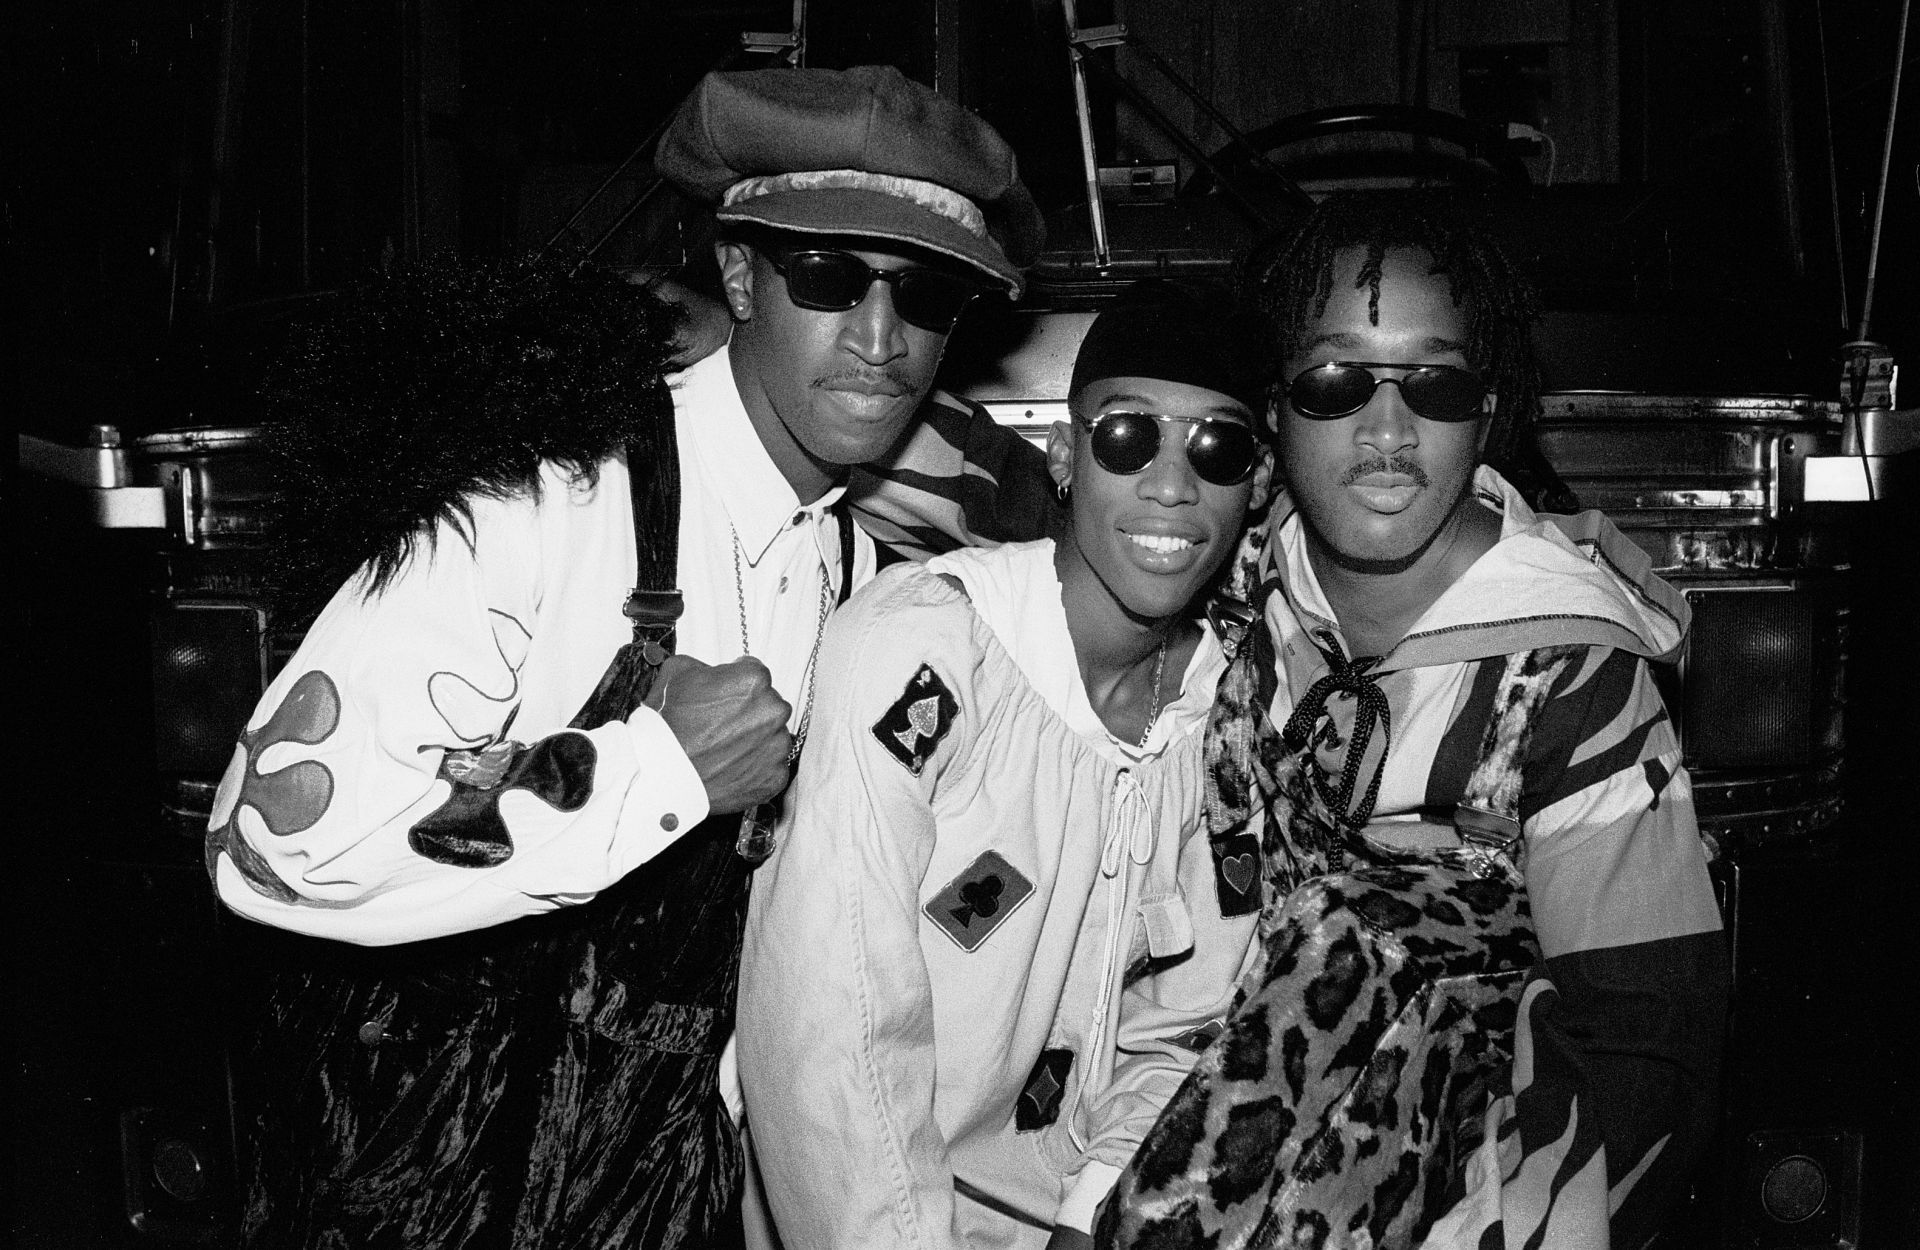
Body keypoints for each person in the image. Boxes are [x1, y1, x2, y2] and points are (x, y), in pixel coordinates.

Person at [204, 64, 1051, 1249]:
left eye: (925, 294)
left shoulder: (859, 579)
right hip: (423, 1192)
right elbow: (274, 845)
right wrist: (650, 769)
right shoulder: (543, 497)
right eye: (828, 275)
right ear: (743, 273)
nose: (878, 335)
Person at [1096, 193, 1728, 1249]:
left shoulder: (1572, 670)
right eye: (1337, 380)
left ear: (1489, 414)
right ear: (1275, 409)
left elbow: (1640, 1048)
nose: (1387, 432)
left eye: (1434, 385)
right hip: (1177, 1117)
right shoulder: (1237, 580)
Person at [738, 283, 1275, 1249]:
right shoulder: (926, 653)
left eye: (1217, 448)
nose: (1170, 485)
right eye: (1126, 437)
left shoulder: (1227, 719)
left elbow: (1188, 1026)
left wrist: (1091, 1211)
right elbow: (830, 1018)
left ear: (1256, 485)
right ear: (1067, 458)